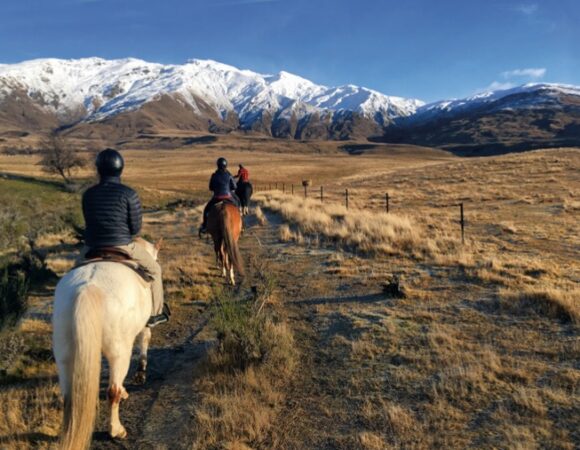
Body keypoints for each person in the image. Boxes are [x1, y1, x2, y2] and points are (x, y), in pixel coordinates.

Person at [81, 148, 169, 327]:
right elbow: (135, 228)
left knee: (71, 276)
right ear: (120, 169)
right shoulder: (129, 194)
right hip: (123, 245)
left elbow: (88, 223)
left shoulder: (88, 194)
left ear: (98, 169)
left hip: (92, 247)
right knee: (155, 270)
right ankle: (156, 313)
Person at [199, 157, 239, 235]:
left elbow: (210, 187)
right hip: (228, 197)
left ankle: (204, 226)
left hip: (217, 198)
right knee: (237, 207)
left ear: (218, 165)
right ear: (226, 165)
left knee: (206, 210)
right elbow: (235, 187)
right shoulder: (229, 175)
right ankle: (242, 225)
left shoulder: (214, 175)